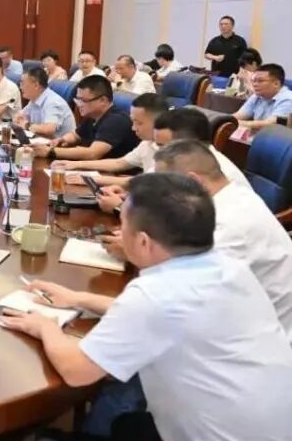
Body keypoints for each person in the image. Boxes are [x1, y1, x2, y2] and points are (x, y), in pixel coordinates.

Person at [2, 173, 292, 441]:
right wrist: (79, 299)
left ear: (143, 241)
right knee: (129, 428)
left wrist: (46, 327)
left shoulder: (156, 294)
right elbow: (169, 318)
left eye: (122, 225)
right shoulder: (226, 265)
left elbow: (77, 371)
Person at [154, 140, 292, 341]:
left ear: (194, 182)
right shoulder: (232, 195)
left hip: (263, 341)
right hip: (240, 318)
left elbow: (181, 300)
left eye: (165, 190)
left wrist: (142, 254)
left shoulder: (229, 224)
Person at [92, 107, 251, 214]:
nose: (158, 151)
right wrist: (128, 196)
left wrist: (121, 207)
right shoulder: (180, 160)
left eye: (162, 145)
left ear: (189, 144)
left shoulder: (216, 174)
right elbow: (153, 186)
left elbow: (183, 229)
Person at [54, 93, 167, 184]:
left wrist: (92, 179)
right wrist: (76, 164)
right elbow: (119, 163)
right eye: (133, 121)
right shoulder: (147, 143)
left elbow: (146, 181)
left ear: (159, 122)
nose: (133, 128)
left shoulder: (172, 151)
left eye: (139, 123)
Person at [32, 75, 139, 161]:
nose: (79, 104)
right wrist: (62, 139)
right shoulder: (93, 115)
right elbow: (75, 135)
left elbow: (93, 154)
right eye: (77, 99)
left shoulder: (116, 120)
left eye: (83, 100)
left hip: (117, 175)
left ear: (103, 100)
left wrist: (50, 151)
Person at [15, 66, 76, 138]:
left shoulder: (53, 101)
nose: (20, 87)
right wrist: (19, 119)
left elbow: (48, 129)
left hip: (61, 143)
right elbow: (19, 117)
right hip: (42, 140)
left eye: (22, 83)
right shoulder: (34, 99)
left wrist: (27, 125)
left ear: (36, 85)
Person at [233, 64, 292, 129]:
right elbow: (239, 115)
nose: (255, 84)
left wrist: (234, 122)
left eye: (260, 81)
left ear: (276, 84)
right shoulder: (257, 96)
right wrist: (227, 120)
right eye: (254, 81)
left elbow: (271, 125)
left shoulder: (288, 99)